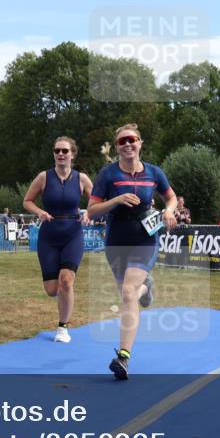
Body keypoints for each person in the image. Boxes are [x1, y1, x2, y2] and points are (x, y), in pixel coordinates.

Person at [87, 124, 177, 380]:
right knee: (129, 295)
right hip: (116, 240)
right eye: (122, 141)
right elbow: (91, 211)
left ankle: (123, 357)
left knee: (127, 293)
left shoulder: (154, 172)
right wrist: (116, 200)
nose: (128, 144)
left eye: (132, 140)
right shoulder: (108, 174)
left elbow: (170, 197)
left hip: (145, 239)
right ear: (117, 147)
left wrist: (169, 210)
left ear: (140, 143)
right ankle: (147, 288)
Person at [23, 136, 93, 343]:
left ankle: (63, 328)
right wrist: (39, 212)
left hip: (73, 233)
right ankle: (62, 295)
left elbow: (98, 201)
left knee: (66, 280)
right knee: (52, 289)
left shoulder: (82, 179)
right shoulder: (43, 177)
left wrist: (89, 213)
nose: (61, 154)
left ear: (73, 154)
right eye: (57, 151)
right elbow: (27, 201)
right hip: (48, 235)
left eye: (65, 151)